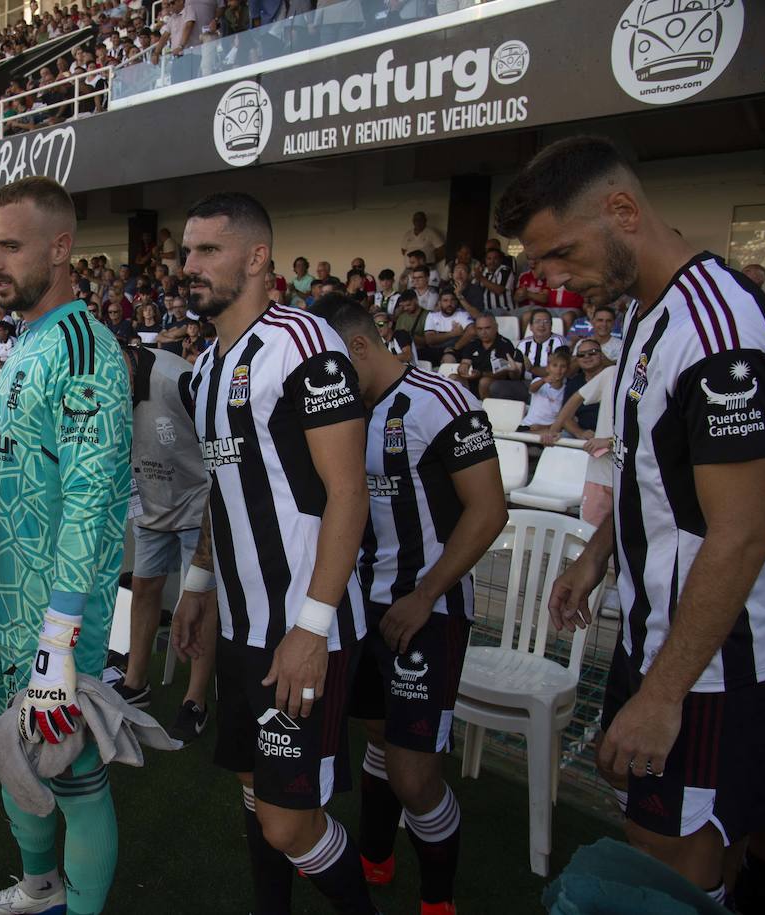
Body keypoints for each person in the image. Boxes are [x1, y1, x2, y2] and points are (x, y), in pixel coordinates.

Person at [503, 135, 765, 910]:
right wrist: (597, 552)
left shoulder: (719, 331)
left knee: (670, 873)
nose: (550, 280)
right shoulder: (653, 314)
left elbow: (744, 531)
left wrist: (663, 692)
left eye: (559, 252)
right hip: (663, 641)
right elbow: (661, 476)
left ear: (623, 210)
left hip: (712, 668)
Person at [169, 193, 376, 915]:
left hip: (302, 631)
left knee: (290, 820)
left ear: (258, 258)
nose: (188, 267)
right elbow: (220, 492)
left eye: (207, 251)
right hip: (240, 629)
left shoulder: (307, 347)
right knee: (257, 796)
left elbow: (350, 493)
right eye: (186, 252)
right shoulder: (203, 370)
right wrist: (198, 581)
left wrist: (311, 628)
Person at [0, 177, 131, 915]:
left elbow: (90, 506)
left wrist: (59, 642)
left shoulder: (88, 351)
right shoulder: (30, 338)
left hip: (56, 624)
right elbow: (26, 474)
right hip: (8, 604)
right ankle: (40, 888)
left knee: (74, 777)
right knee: (9, 756)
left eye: (9, 244)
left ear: (60, 248)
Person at [329, 301, 506, 915]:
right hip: (358, 608)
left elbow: (489, 511)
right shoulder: (340, 412)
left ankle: (438, 901)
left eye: (328, 364)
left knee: (414, 775)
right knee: (377, 733)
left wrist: (424, 596)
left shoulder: (442, 402)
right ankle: (377, 858)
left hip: (427, 611)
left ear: (356, 348)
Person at [112, 341, 216, 743]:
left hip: (197, 504)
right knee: (143, 588)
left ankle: (195, 699)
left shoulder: (177, 378)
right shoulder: (94, 385)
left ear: (125, 355)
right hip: (150, 503)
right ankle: (136, 680)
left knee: (201, 602)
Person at [542, 354, 617, 527]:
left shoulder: (651, 378)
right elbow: (578, 396)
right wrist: (555, 429)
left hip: (632, 477)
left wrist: (610, 441)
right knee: (588, 534)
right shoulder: (611, 373)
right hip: (599, 473)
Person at [448, 314, 519, 399]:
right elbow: (465, 362)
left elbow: (503, 373)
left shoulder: (504, 344)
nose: (483, 332)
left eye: (487, 328)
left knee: (484, 381)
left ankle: (484, 410)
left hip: (497, 384)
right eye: (480, 329)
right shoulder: (473, 343)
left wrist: (481, 374)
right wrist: (463, 369)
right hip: (474, 381)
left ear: (496, 327)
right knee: (453, 378)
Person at [516, 347, 571, 432]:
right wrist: (543, 380)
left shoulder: (567, 391)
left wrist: (543, 427)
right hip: (527, 425)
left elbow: (563, 418)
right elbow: (532, 389)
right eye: (554, 365)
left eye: (563, 366)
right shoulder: (539, 381)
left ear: (567, 370)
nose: (558, 370)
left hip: (548, 429)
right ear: (548, 368)